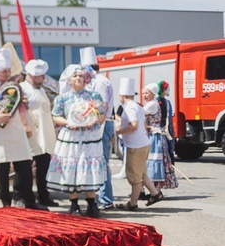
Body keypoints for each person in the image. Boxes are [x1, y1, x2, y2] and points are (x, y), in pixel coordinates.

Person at [0, 48, 47, 210]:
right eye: (3, 71)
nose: (7, 74)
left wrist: (26, 123)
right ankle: (5, 203)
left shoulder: (14, 89)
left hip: (16, 131)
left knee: (25, 166)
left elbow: (20, 109)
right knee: (2, 170)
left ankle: (27, 200)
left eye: (8, 71)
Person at [46, 64, 107, 217]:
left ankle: (92, 203)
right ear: (69, 80)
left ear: (85, 79)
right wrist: (68, 122)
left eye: (80, 76)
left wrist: (94, 120)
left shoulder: (94, 96)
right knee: (72, 169)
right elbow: (55, 116)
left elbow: (102, 114)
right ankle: (74, 204)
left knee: (88, 167)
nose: (78, 78)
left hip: (89, 137)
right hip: (71, 137)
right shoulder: (62, 98)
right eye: (75, 76)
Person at [114, 78, 163, 210]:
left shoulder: (129, 108)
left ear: (122, 96)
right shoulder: (137, 106)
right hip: (143, 143)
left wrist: (119, 131)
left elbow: (134, 125)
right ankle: (155, 193)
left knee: (134, 177)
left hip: (136, 146)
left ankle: (133, 203)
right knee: (141, 173)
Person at [20, 59, 59, 207]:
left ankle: (43, 195)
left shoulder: (41, 89)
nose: (42, 79)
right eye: (39, 77)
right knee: (25, 169)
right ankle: (25, 197)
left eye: (42, 76)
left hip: (44, 133)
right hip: (30, 134)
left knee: (44, 167)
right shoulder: (22, 88)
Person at [80, 47, 115, 210]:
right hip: (97, 124)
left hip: (101, 123)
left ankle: (106, 199)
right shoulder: (95, 81)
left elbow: (102, 105)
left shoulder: (99, 82)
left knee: (101, 162)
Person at [142, 84, 178, 192]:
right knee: (152, 161)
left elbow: (138, 114)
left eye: (147, 93)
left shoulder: (151, 105)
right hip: (155, 134)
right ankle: (153, 189)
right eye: (143, 93)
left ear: (153, 94)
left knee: (152, 160)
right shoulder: (154, 103)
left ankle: (154, 189)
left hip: (153, 135)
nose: (144, 95)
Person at [158, 80, 176, 160]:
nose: (168, 90)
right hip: (160, 128)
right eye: (167, 88)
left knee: (169, 148)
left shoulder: (167, 102)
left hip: (167, 127)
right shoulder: (156, 102)